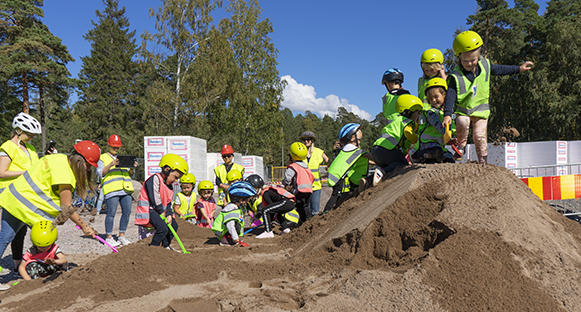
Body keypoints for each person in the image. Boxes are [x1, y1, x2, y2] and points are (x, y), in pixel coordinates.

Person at [0, 141, 98, 290]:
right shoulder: (65, 174)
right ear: (80, 161)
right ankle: (40, 270)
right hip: (24, 206)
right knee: (30, 240)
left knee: (6, 238)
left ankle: (27, 269)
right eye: (88, 165)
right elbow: (66, 207)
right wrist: (84, 226)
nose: (89, 169)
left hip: (14, 198)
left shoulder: (56, 158)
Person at [442, 30, 533, 164]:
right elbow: (450, 95)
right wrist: (447, 114)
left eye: (473, 60)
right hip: (464, 111)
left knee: (479, 136)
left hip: (481, 111)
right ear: (458, 58)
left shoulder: (485, 66)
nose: (469, 63)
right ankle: (461, 147)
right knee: (462, 122)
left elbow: (501, 69)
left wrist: (519, 68)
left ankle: (483, 161)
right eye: (465, 61)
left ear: (478, 56)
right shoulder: (455, 76)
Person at [0, 113, 41, 275]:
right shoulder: (7, 147)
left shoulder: (30, 148)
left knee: (21, 231)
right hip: (12, 195)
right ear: (17, 130)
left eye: (33, 135)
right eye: (28, 134)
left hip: (26, 195)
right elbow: (2, 172)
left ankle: (19, 266)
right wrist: (25, 172)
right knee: (7, 234)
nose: (31, 137)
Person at [135, 154, 188, 248]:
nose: (175, 180)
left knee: (174, 226)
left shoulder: (170, 186)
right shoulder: (154, 179)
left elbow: (168, 202)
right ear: (167, 170)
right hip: (149, 210)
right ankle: (154, 248)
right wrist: (161, 211)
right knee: (162, 228)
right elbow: (154, 197)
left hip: (160, 211)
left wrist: (169, 214)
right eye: (175, 177)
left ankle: (166, 246)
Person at [372, 94, 423, 186]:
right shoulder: (407, 122)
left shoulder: (397, 120)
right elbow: (408, 133)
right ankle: (382, 171)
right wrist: (418, 138)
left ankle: (368, 180)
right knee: (402, 163)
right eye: (417, 112)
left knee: (388, 168)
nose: (418, 116)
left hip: (376, 149)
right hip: (388, 149)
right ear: (409, 111)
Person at [322, 123, 373, 213]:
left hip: (335, 174)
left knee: (337, 195)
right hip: (337, 176)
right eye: (359, 140)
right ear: (352, 138)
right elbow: (370, 156)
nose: (360, 142)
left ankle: (331, 210)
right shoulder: (354, 150)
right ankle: (326, 211)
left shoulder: (347, 149)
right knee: (335, 195)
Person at [97, 134, 135, 247]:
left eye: (117, 147)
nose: (116, 148)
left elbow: (130, 174)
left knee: (127, 212)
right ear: (109, 145)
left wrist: (132, 167)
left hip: (125, 189)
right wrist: (111, 164)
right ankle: (109, 237)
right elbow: (100, 173)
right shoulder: (103, 158)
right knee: (111, 213)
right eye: (114, 146)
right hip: (112, 189)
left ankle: (122, 235)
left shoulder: (122, 159)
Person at [412, 78, 455, 164]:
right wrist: (446, 133)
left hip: (438, 144)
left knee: (450, 158)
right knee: (437, 151)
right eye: (431, 99)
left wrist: (453, 138)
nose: (434, 100)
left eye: (436, 97)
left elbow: (451, 128)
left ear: (444, 95)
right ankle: (416, 156)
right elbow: (438, 125)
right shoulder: (431, 113)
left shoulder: (447, 114)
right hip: (427, 143)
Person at [211, 181, 257, 246]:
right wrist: (235, 238)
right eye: (246, 200)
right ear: (240, 200)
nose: (247, 202)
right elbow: (230, 225)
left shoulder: (234, 207)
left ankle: (230, 237)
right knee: (235, 224)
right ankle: (226, 239)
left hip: (224, 230)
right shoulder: (231, 209)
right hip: (221, 232)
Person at [282, 142, 314, 224]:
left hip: (300, 190)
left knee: (300, 206)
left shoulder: (293, 166)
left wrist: (285, 183)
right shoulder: (306, 166)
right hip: (309, 190)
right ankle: (307, 220)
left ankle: (305, 222)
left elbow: (288, 178)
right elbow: (312, 177)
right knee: (305, 206)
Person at [299, 131, 329, 216]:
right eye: (304, 140)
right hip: (304, 186)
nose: (306, 142)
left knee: (315, 211)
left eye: (308, 140)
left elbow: (327, 160)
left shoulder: (319, 152)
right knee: (305, 210)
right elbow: (289, 162)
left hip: (316, 186)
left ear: (312, 140)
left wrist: (328, 167)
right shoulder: (300, 152)